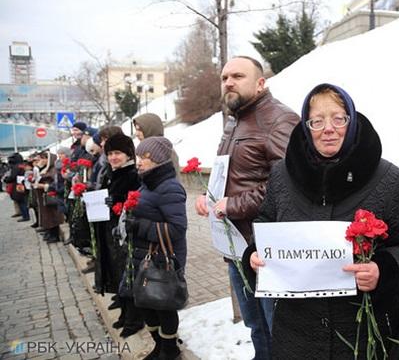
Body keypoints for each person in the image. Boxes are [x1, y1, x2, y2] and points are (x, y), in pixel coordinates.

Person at [245, 84, 399, 359]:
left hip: (365, 340)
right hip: (295, 338)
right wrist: (254, 256)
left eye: (338, 118)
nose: (328, 128)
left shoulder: (388, 179)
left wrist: (383, 271)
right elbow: (266, 222)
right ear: (307, 127)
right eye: (317, 121)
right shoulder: (283, 176)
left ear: (351, 120)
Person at [194, 55, 300, 360]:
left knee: (276, 329)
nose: (228, 82)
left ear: (261, 83)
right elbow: (232, 175)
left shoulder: (279, 120)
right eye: (225, 77)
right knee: (256, 327)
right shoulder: (234, 121)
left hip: (264, 251)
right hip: (235, 245)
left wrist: (235, 205)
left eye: (237, 76)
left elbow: (288, 186)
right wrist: (209, 198)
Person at [130, 136, 187, 360]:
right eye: (138, 156)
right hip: (145, 255)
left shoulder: (169, 187)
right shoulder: (147, 182)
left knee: (163, 305)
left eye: (144, 157)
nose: (138, 162)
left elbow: (177, 228)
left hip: (163, 257)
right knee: (147, 304)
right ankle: (159, 347)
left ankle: (170, 350)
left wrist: (140, 226)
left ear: (158, 159)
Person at [96, 134, 142, 337]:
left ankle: (134, 319)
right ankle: (125, 314)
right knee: (118, 273)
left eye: (118, 153)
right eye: (110, 153)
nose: (113, 157)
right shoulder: (112, 172)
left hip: (126, 234)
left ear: (128, 154)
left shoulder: (132, 174)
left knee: (128, 274)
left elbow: (135, 202)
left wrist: (117, 201)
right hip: (112, 232)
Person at [33, 151, 64, 243]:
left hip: (50, 194)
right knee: (47, 215)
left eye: (44, 158)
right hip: (44, 195)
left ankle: (54, 234)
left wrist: (43, 186)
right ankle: (49, 232)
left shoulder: (53, 169)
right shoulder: (46, 168)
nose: (42, 160)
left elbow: (54, 182)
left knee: (53, 215)